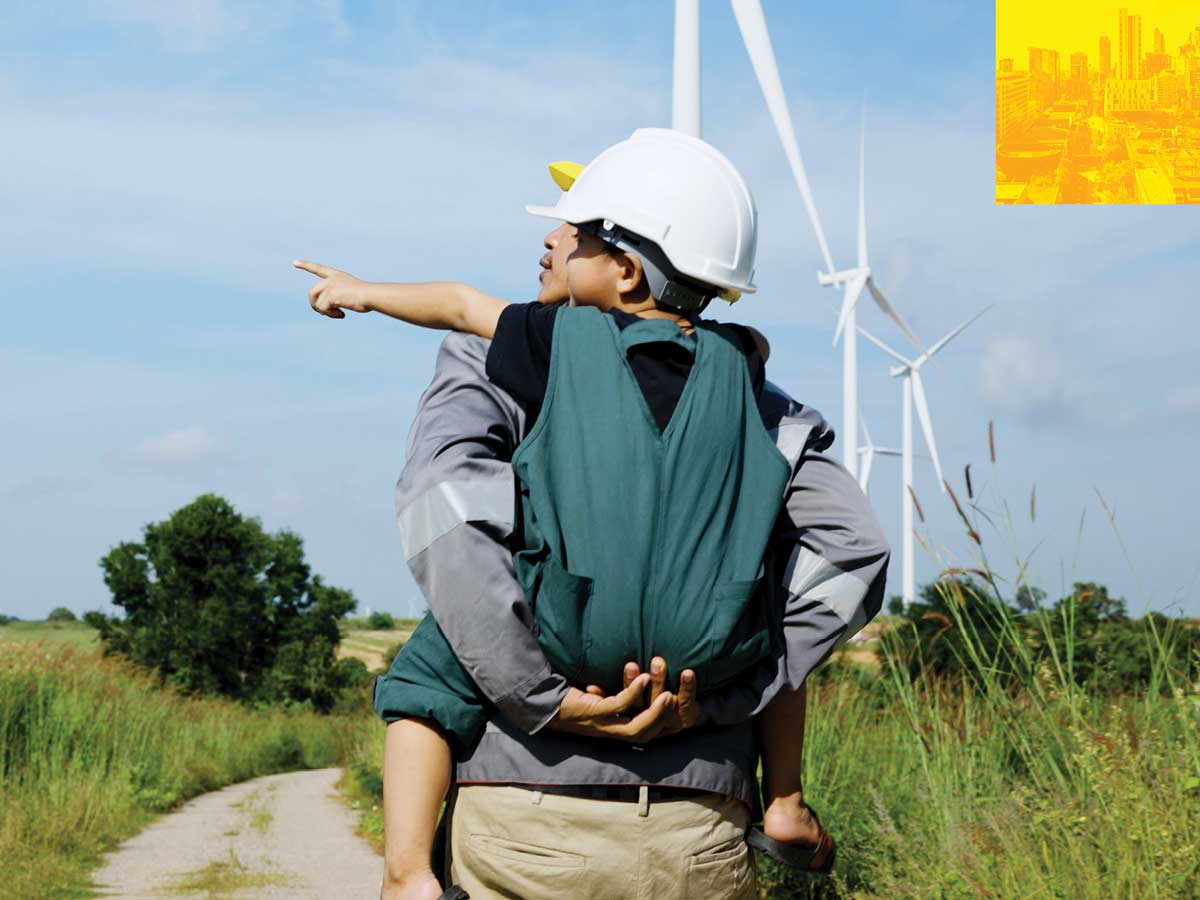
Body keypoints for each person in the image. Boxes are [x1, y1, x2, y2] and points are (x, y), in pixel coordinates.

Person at [303, 131, 890, 900]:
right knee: (768, 608)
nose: (550, 238)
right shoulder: (755, 395)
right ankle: (785, 802)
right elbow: (856, 549)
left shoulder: (535, 347)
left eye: (574, 230)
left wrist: (365, 290)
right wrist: (735, 686)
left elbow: (445, 504)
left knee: (434, 655)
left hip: (531, 816)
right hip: (703, 832)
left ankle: (405, 875)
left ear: (624, 267)